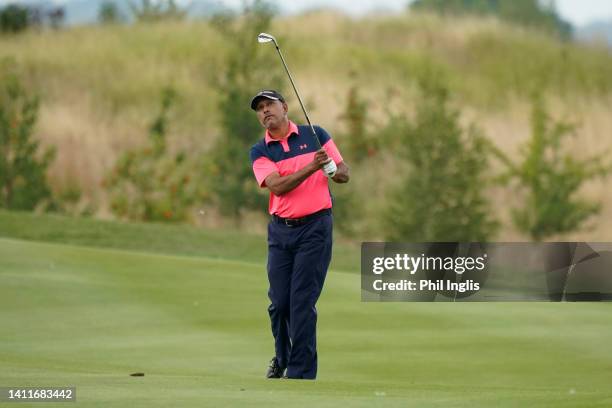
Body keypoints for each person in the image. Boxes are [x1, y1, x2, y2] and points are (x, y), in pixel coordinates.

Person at [249, 90, 350, 380]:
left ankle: (301, 372)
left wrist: (332, 168)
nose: (265, 111)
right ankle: (282, 358)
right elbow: (278, 186)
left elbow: (344, 173)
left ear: (285, 107)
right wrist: (313, 166)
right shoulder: (261, 151)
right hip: (281, 231)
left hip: (316, 229)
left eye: (269, 105)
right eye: (260, 109)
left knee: (301, 302)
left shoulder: (315, 134)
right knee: (280, 302)